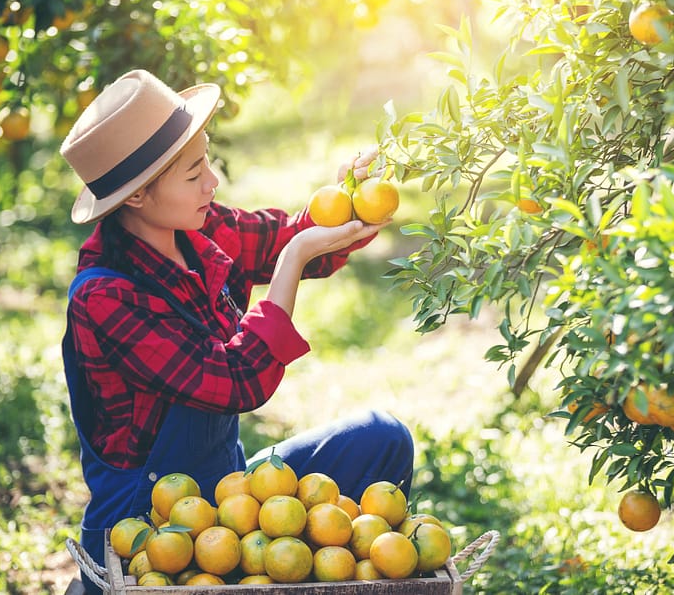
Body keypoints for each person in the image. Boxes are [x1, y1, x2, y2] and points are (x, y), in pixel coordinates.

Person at [59, 69, 414, 592]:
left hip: (235, 503)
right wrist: (293, 260)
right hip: (153, 531)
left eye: (208, 160)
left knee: (382, 439)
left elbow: (289, 237)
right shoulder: (106, 298)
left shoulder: (195, 230)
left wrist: (349, 194)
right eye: (194, 171)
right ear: (136, 197)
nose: (212, 181)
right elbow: (238, 380)